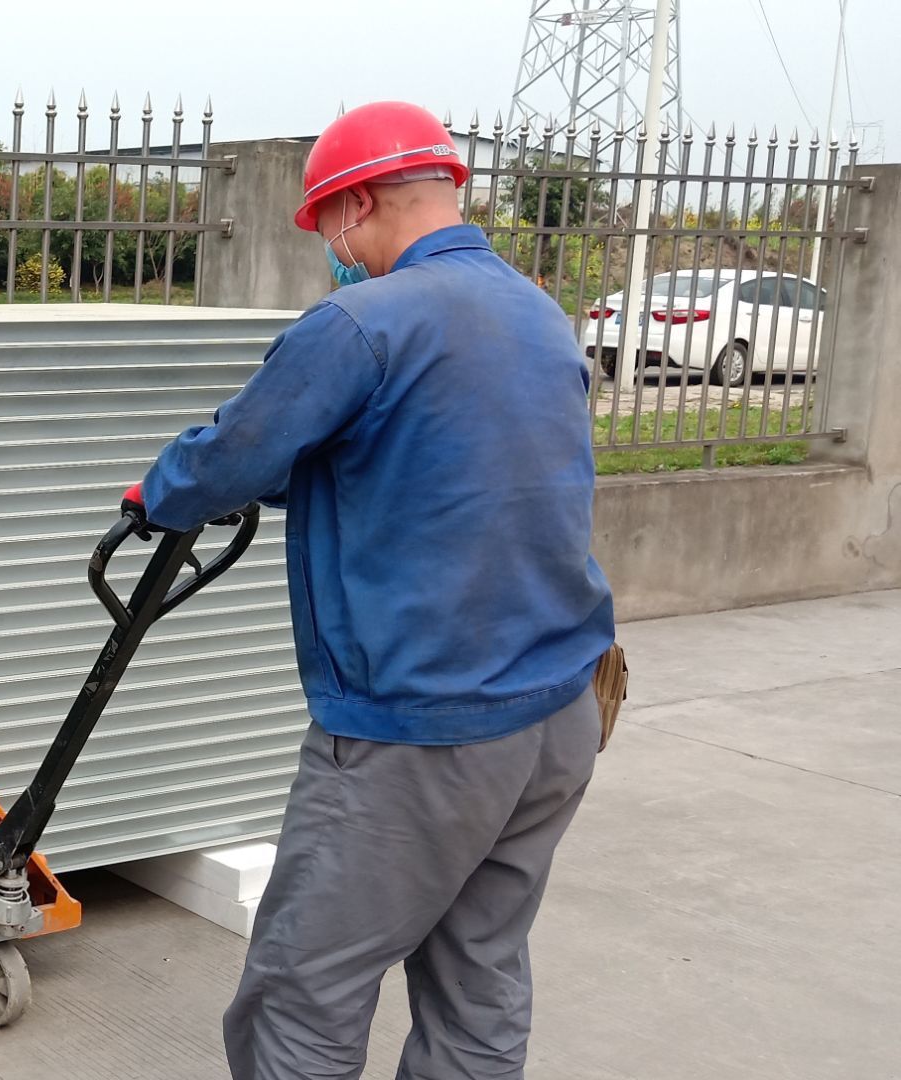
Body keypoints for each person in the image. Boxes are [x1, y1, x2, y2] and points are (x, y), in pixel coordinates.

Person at [127, 103, 616, 1079]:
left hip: (421, 732)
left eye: (324, 226)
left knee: (303, 991)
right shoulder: (535, 313)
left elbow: (229, 458)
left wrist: (158, 493)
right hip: (558, 713)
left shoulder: (362, 323)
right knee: (478, 975)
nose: (329, 251)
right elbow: (428, 456)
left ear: (355, 204)